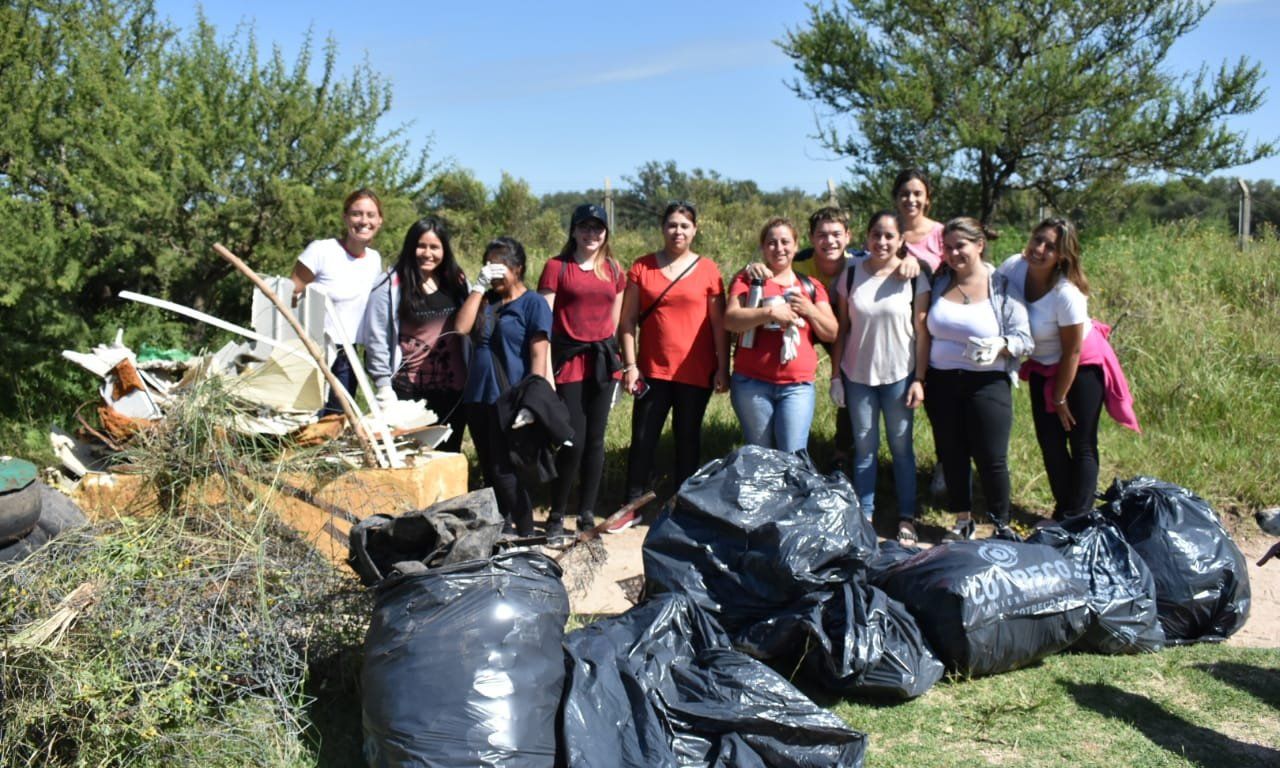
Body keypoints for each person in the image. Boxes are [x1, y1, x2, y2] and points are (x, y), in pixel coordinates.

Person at [998, 217, 1140, 522]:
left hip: (1082, 366)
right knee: (1049, 442)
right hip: (1043, 365)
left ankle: (1078, 517)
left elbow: (1073, 350)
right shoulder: (1013, 267)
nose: (1039, 248)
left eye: (1050, 246)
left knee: (1082, 442)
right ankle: (1065, 510)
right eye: (1038, 239)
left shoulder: (1066, 294)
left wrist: (1060, 398)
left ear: (1062, 255)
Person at [915, 217, 1032, 540]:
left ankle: (1001, 524)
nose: (954, 253)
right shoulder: (940, 280)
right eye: (948, 247)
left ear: (979, 245)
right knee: (952, 453)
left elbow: (1025, 338)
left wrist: (1003, 345)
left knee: (991, 456)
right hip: (942, 382)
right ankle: (962, 520)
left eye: (961, 246)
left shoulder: (1002, 286)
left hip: (988, 383)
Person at [618, 202, 729, 516]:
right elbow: (626, 322)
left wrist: (724, 367)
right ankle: (632, 505)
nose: (678, 231)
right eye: (672, 225)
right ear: (662, 228)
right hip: (652, 370)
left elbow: (719, 324)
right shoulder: (642, 267)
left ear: (694, 230)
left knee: (688, 440)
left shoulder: (708, 269)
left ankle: (684, 506)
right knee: (642, 439)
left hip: (696, 370)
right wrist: (630, 366)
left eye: (684, 225)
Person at [831, 211, 930, 542]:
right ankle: (866, 515)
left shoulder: (913, 277)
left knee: (902, 448)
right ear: (866, 238)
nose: (882, 242)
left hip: (899, 376)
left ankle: (906, 516)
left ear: (901, 239)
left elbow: (922, 331)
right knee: (864, 448)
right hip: (857, 376)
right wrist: (834, 377)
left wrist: (920, 379)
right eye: (876, 235)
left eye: (889, 235)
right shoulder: (850, 274)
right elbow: (842, 330)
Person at [453, 237, 552, 537]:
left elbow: (539, 354)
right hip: (477, 397)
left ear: (518, 268)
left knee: (504, 469)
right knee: (488, 466)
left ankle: (525, 531)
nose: (495, 273)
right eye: (489, 266)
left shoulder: (533, 303)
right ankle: (502, 525)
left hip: (509, 399)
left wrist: (531, 403)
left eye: (501, 267)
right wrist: (478, 286)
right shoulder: (484, 301)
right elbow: (460, 328)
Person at [537, 204, 625, 536]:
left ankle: (587, 513)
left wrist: (617, 361)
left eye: (598, 228)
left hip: (603, 363)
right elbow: (542, 322)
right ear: (573, 230)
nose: (592, 234)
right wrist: (543, 368)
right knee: (572, 439)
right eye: (585, 227)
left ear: (605, 233)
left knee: (596, 441)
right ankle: (557, 513)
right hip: (568, 362)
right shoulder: (556, 268)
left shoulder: (614, 271)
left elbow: (614, 321)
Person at [726, 217, 837, 452]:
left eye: (785, 242)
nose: (779, 248)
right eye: (772, 242)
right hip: (751, 383)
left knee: (793, 454)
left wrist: (809, 311)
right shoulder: (748, 280)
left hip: (797, 385)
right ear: (763, 247)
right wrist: (770, 313)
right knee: (761, 455)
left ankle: (792, 490)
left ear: (796, 246)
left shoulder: (811, 287)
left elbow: (831, 332)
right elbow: (731, 320)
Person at [362, 217, 468, 452]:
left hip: (453, 391)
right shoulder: (390, 285)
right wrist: (383, 388)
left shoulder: (457, 282)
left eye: (434, 247)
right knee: (411, 458)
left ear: (445, 250)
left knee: (447, 459)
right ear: (411, 246)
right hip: (407, 394)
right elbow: (377, 339)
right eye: (421, 246)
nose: (427, 253)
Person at [289, 188, 384, 415]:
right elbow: (289, 295)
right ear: (345, 217)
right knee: (306, 418)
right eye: (356, 214)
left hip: (350, 354)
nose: (364, 221)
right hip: (315, 350)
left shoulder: (374, 260)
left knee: (337, 422)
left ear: (380, 220)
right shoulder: (322, 251)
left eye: (371, 215)